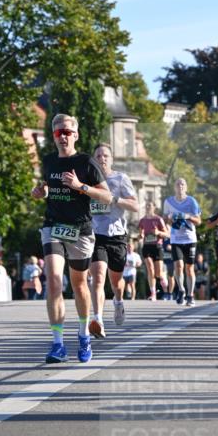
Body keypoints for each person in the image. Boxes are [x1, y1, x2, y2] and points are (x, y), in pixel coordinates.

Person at [31, 114, 111, 364]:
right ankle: (57, 344)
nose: (63, 136)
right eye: (58, 133)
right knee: (53, 281)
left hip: (80, 229)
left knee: (79, 284)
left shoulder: (86, 162)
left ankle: (84, 334)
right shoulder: (49, 161)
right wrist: (39, 192)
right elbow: (44, 188)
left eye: (67, 132)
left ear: (75, 135)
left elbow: (107, 197)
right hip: (53, 226)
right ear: (54, 137)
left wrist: (80, 186)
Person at [88, 143, 139, 337]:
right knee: (98, 276)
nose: (102, 158)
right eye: (98, 155)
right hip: (95, 235)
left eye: (105, 156)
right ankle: (98, 319)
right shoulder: (89, 180)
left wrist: (114, 200)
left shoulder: (120, 178)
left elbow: (135, 205)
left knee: (116, 282)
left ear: (111, 159)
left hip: (117, 235)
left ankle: (118, 301)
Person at [162, 177, 202, 307]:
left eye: (183, 184)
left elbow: (199, 221)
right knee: (178, 266)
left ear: (186, 187)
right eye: (178, 184)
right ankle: (181, 290)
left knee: (189, 268)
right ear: (174, 187)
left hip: (190, 238)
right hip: (175, 239)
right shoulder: (168, 202)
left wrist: (188, 216)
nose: (180, 186)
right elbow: (165, 219)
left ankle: (190, 295)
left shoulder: (192, 201)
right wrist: (169, 219)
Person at [137, 200, 169, 301]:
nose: (148, 207)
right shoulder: (142, 220)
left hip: (157, 247)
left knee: (158, 273)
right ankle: (153, 294)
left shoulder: (158, 219)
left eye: (150, 206)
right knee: (150, 270)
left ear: (154, 207)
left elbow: (167, 234)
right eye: (146, 206)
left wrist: (158, 232)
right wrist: (140, 236)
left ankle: (163, 278)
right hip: (147, 246)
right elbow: (140, 234)